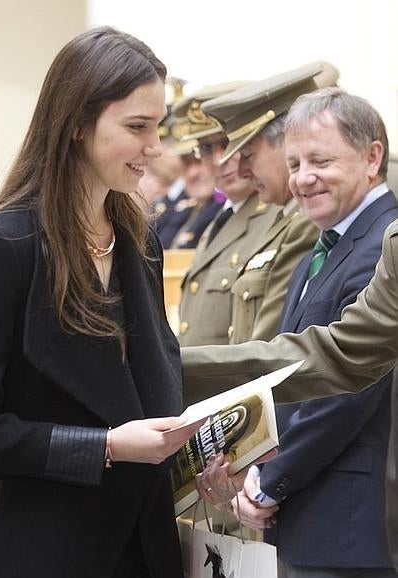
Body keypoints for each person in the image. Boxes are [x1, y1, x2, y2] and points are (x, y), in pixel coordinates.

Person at [0, 27, 204, 578]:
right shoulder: (1, 249)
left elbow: (150, 387)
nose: (156, 148)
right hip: (29, 551)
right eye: (137, 127)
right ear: (76, 124)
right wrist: (103, 447)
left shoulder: (138, 241)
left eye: (159, 128)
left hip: (138, 548)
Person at [180, 115, 398, 575]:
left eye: (320, 160)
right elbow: (322, 357)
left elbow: (348, 388)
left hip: (349, 515)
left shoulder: (379, 240)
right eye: (294, 162)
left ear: (373, 157)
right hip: (307, 510)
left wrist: (268, 480)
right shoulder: (328, 245)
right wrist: (244, 458)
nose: (303, 177)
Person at [199, 63, 334, 349]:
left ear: (286, 145)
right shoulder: (284, 218)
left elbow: (269, 346)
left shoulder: (306, 222)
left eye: (247, 155)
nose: (243, 170)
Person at [171, 81, 277, 346]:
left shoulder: (277, 216)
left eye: (228, 142)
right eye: (206, 149)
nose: (219, 159)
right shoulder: (218, 219)